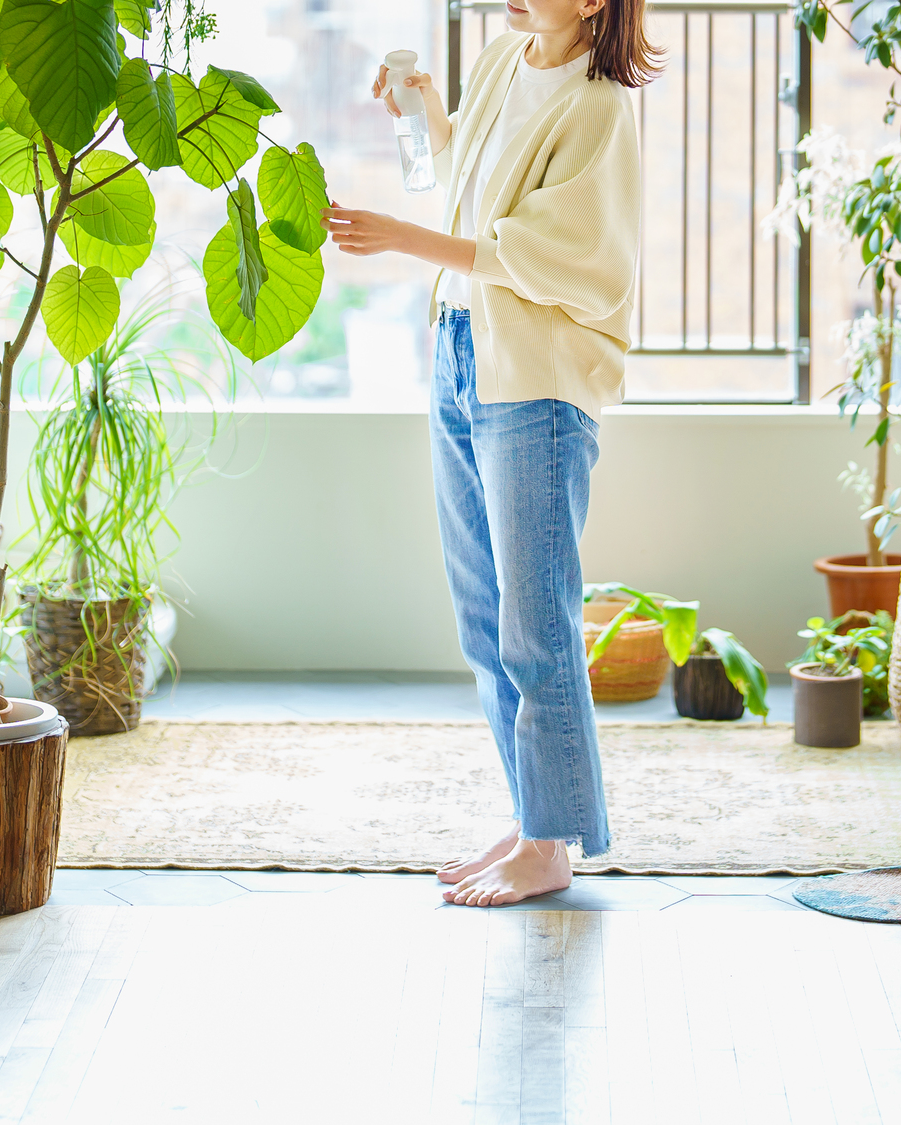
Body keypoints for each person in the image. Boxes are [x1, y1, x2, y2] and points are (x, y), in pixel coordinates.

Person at [321, 0, 657, 907]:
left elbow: (554, 251)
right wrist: (423, 110)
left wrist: (395, 237)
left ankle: (550, 842)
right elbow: (475, 174)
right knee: (483, 615)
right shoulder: (512, 62)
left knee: (535, 623)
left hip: (534, 379)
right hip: (461, 351)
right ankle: (532, 816)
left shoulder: (601, 107)